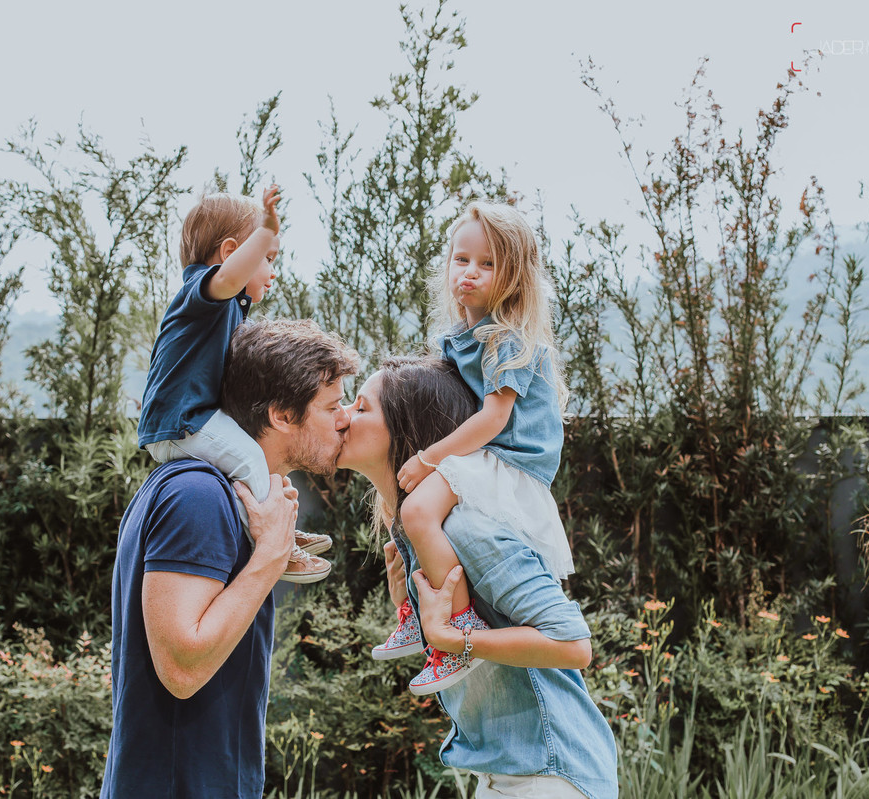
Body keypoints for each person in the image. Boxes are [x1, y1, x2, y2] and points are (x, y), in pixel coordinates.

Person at [338, 356, 619, 799]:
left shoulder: (467, 528)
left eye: (361, 407)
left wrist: (453, 639)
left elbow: (572, 645)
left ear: (408, 428)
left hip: (549, 774)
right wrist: (411, 607)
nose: (342, 417)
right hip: (508, 774)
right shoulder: (420, 534)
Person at [101, 319, 359, 799]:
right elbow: (181, 669)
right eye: (331, 406)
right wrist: (270, 558)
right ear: (281, 414)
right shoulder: (197, 495)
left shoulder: (218, 495)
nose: (345, 418)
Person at [378, 200, 575, 693]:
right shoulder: (457, 337)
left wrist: (428, 458)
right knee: (406, 513)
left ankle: (459, 625)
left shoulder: (507, 339)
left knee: (418, 511)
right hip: (483, 453)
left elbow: (493, 419)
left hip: (509, 459)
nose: (469, 272)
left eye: (488, 264)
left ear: (514, 278)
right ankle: (417, 613)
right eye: (461, 259)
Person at [136, 186, 332, 583]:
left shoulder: (225, 309)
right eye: (267, 258)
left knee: (262, 461)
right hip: (181, 423)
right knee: (250, 461)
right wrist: (266, 229)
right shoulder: (203, 293)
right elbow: (227, 278)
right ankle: (273, 544)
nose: (273, 271)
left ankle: (278, 527)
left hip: (194, 420)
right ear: (230, 253)